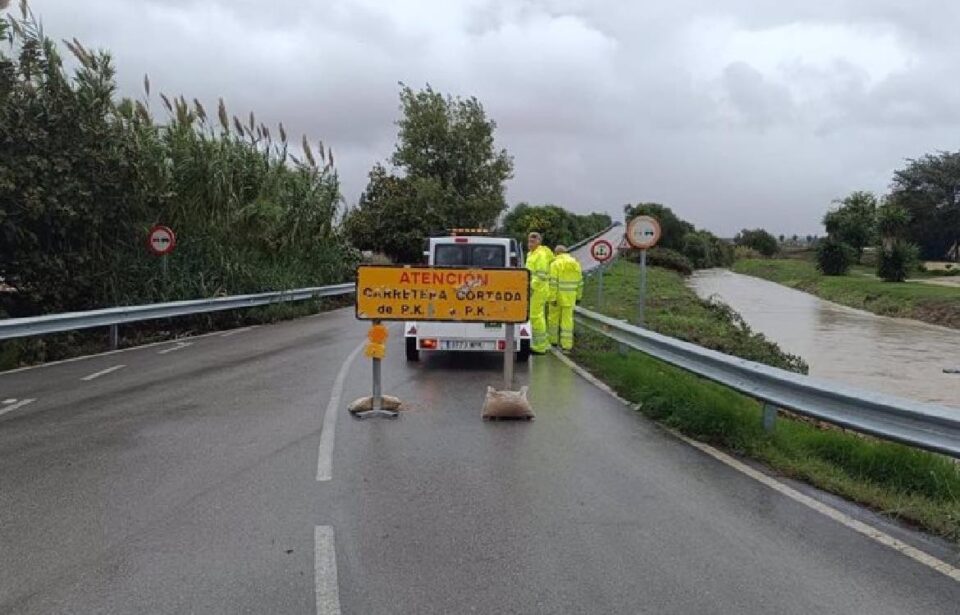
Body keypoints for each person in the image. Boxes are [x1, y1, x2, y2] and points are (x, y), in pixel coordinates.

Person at [548, 245, 583, 351]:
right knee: (567, 321)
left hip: (557, 297)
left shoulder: (555, 264)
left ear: (557, 253)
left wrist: (552, 297)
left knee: (553, 320)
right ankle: (566, 345)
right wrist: (578, 297)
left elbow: (553, 283)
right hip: (570, 297)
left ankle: (553, 342)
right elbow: (580, 283)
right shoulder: (576, 264)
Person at [525, 232, 554, 355]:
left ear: (539, 242)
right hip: (536, 288)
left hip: (538, 289)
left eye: (533, 241)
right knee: (539, 316)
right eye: (529, 241)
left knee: (535, 316)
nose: (530, 243)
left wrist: (531, 287)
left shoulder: (540, 255)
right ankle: (544, 343)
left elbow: (541, 275)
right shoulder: (532, 254)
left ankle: (540, 346)